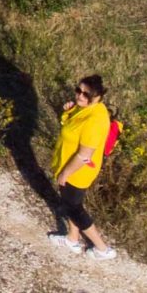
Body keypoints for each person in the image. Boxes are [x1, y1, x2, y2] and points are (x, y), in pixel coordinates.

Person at [48, 75, 119, 260]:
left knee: (74, 208)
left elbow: (84, 155)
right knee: (70, 203)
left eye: (86, 94)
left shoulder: (95, 120)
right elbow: (70, 128)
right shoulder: (86, 108)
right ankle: (72, 239)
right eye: (78, 91)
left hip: (78, 171)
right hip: (70, 165)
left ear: (98, 96)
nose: (80, 96)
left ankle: (102, 249)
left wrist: (65, 173)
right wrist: (69, 112)